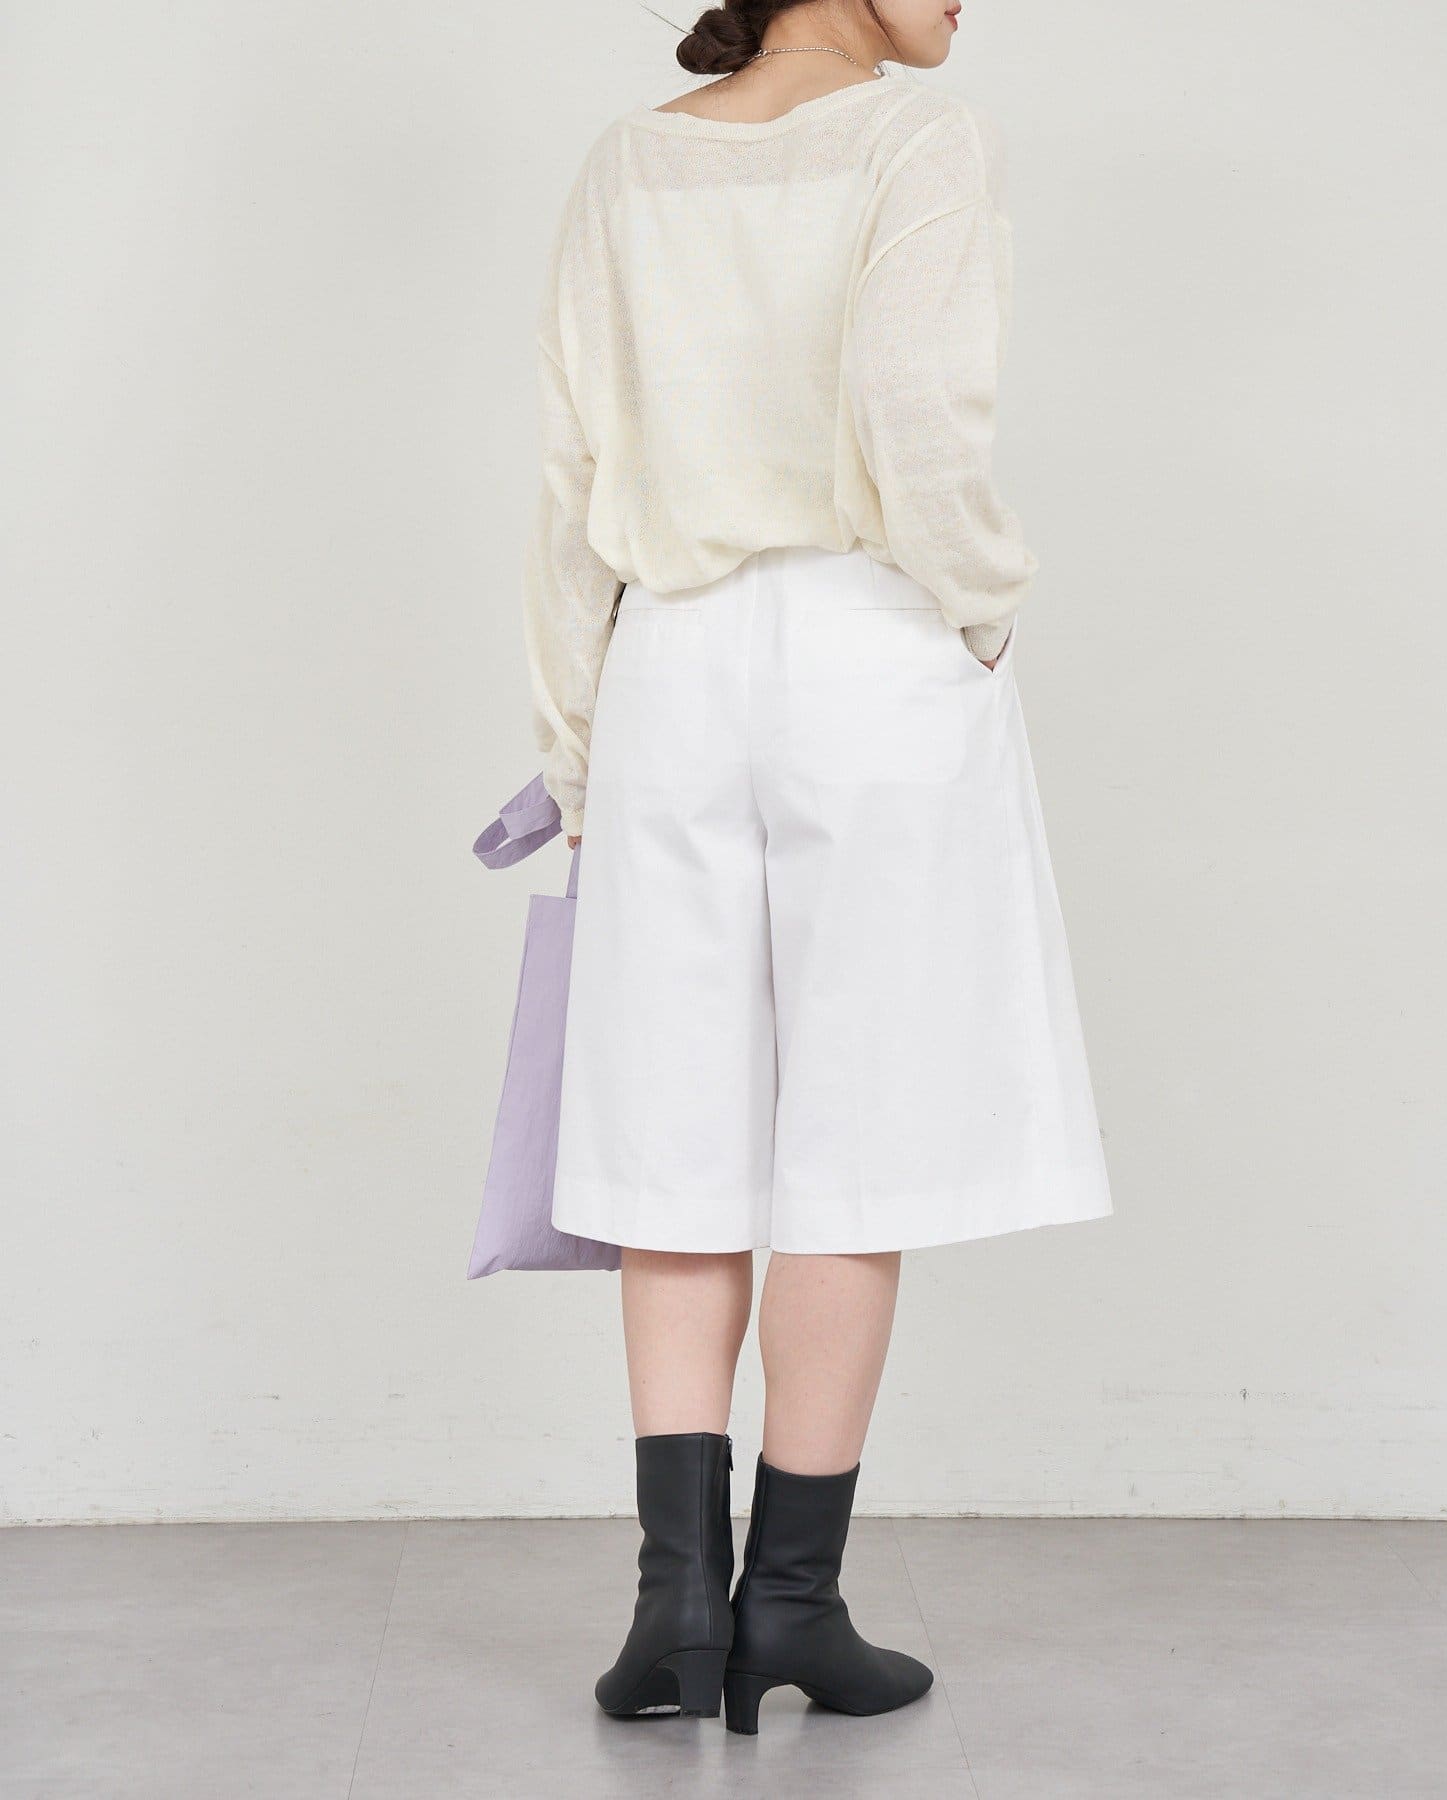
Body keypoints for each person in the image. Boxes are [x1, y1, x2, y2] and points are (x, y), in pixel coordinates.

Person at [517, 0, 1112, 1737]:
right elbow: (910, 401)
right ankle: (791, 1605)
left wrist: (575, 744)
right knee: (856, 1145)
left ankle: (672, 1617)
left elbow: (569, 476)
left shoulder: (628, 162)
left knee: (673, 1143)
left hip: (668, 662)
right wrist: (980, 601)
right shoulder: (918, 136)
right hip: (867, 643)